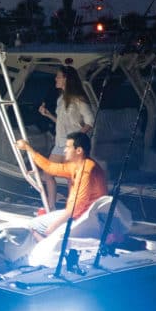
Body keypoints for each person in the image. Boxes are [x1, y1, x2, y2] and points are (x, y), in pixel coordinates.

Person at [16, 131, 107, 239]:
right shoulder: (75, 165)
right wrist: (28, 148)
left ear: (78, 150)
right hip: (80, 215)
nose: (64, 150)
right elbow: (49, 167)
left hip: (87, 219)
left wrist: (54, 226)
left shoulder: (86, 169)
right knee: (41, 225)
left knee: (33, 226)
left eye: (68, 147)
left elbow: (77, 205)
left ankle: (49, 254)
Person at [36, 65, 94, 208]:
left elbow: (90, 121)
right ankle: (51, 207)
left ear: (66, 79)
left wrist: (76, 138)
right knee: (47, 173)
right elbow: (61, 122)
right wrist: (48, 115)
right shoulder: (60, 99)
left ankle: (73, 209)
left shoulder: (79, 100)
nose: (55, 79)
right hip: (59, 143)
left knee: (71, 179)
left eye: (58, 76)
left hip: (72, 146)